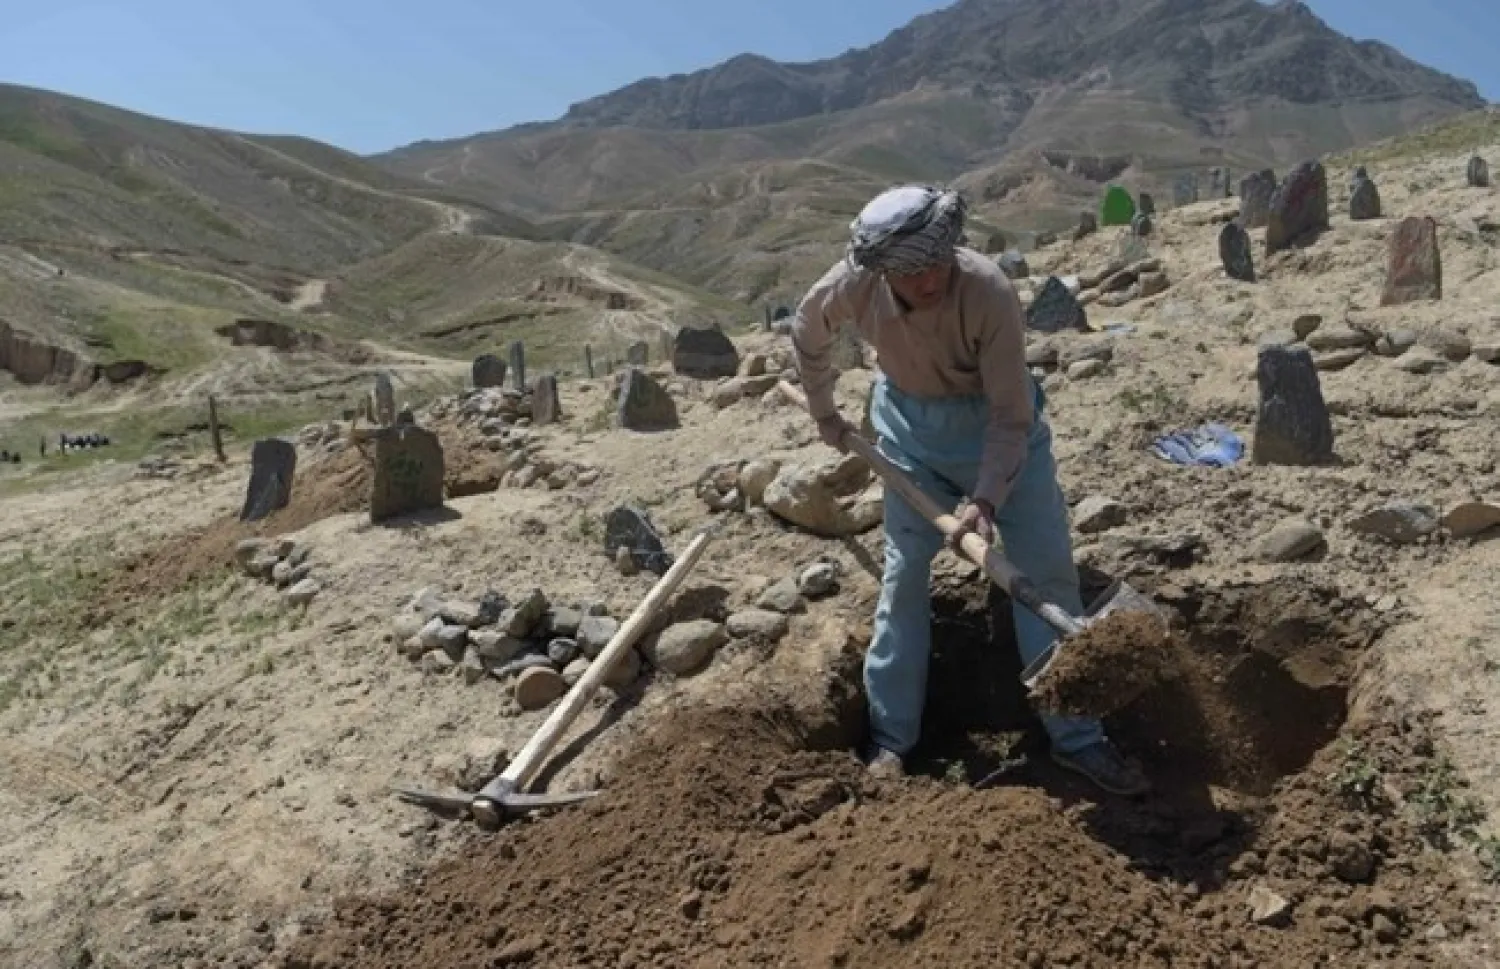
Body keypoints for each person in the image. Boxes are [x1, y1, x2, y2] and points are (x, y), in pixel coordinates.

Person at [789, 184, 1150, 797]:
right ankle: (890, 739)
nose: (930, 279)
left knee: (1045, 576)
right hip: (908, 438)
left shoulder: (987, 291)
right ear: (882, 271)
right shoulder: (851, 285)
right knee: (903, 580)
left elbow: (1012, 417)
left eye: (937, 261)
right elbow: (807, 330)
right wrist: (825, 412)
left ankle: (1078, 739)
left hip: (1000, 432)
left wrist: (983, 501)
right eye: (912, 271)